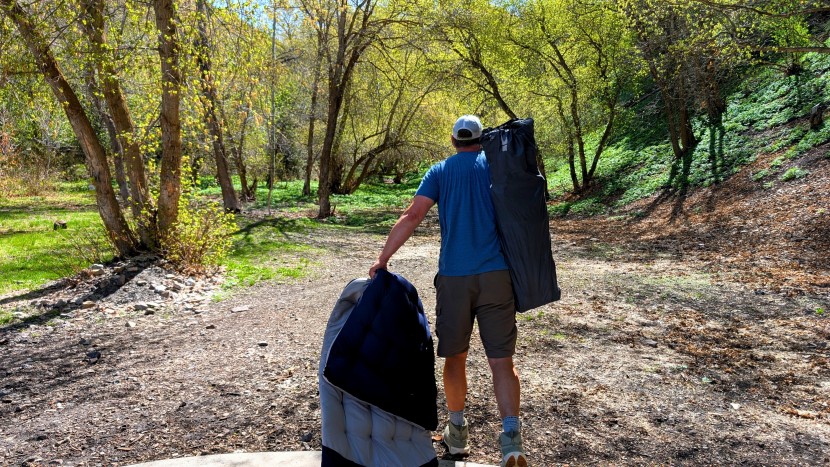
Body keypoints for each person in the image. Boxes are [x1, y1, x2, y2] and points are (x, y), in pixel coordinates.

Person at [369, 115, 527, 467]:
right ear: (482, 139)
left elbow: (412, 216)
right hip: (498, 276)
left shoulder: (440, 171)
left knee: (455, 357)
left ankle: (457, 433)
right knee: (502, 361)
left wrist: (384, 258)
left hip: (455, 278)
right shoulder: (495, 166)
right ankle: (511, 439)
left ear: (454, 140)